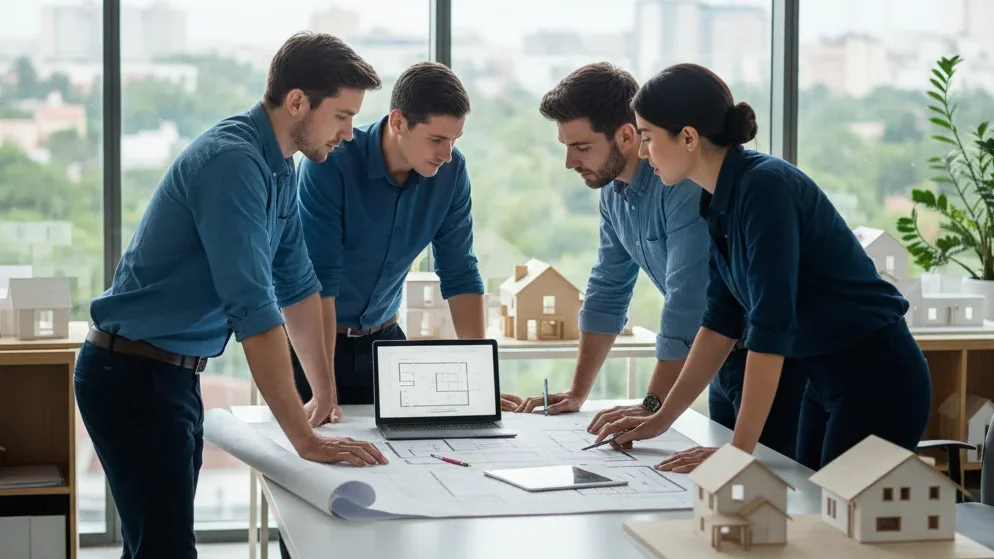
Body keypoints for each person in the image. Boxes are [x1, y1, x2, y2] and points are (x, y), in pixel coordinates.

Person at [73, 32, 389, 559]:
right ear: (296, 102)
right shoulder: (232, 163)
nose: (349, 134)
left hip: (171, 375)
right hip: (131, 376)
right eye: (341, 116)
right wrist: (304, 440)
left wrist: (325, 393)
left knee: (157, 547)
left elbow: (297, 283)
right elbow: (254, 310)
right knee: (166, 551)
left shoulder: (278, 167)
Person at [594, 63, 932, 472]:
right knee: (805, 510)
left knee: (838, 527)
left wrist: (738, 451)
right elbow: (720, 319)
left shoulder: (765, 188)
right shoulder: (716, 200)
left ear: (687, 137)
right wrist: (660, 418)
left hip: (878, 379)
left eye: (646, 137)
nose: (643, 153)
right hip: (823, 382)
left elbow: (770, 327)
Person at [502, 62, 806, 470]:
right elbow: (609, 287)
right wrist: (579, 392)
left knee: (781, 492)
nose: (569, 162)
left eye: (581, 146)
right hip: (724, 359)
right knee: (725, 491)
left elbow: (688, 302)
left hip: (784, 364)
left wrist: (653, 405)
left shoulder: (691, 185)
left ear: (627, 136)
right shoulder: (615, 194)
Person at [293, 61, 487, 409]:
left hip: (385, 345)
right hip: (310, 345)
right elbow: (319, 280)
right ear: (398, 121)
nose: (447, 155)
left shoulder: (452, 172)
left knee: (400, 457)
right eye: (436, 139)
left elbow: (460, 271)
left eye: (455, 140)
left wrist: (480, 380)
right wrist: (324, 391)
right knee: (306, 457)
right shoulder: (330, 162)